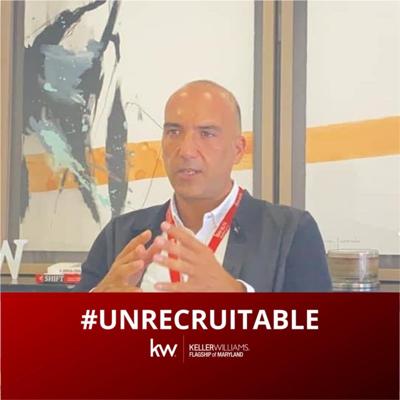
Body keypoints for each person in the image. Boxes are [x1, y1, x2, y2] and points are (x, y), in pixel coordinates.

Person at [75, 80, 332, 292]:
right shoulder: (120, 236)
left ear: (238, 149)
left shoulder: (290, 233)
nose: (186, 150)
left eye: (207, 133)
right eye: (174, 132)